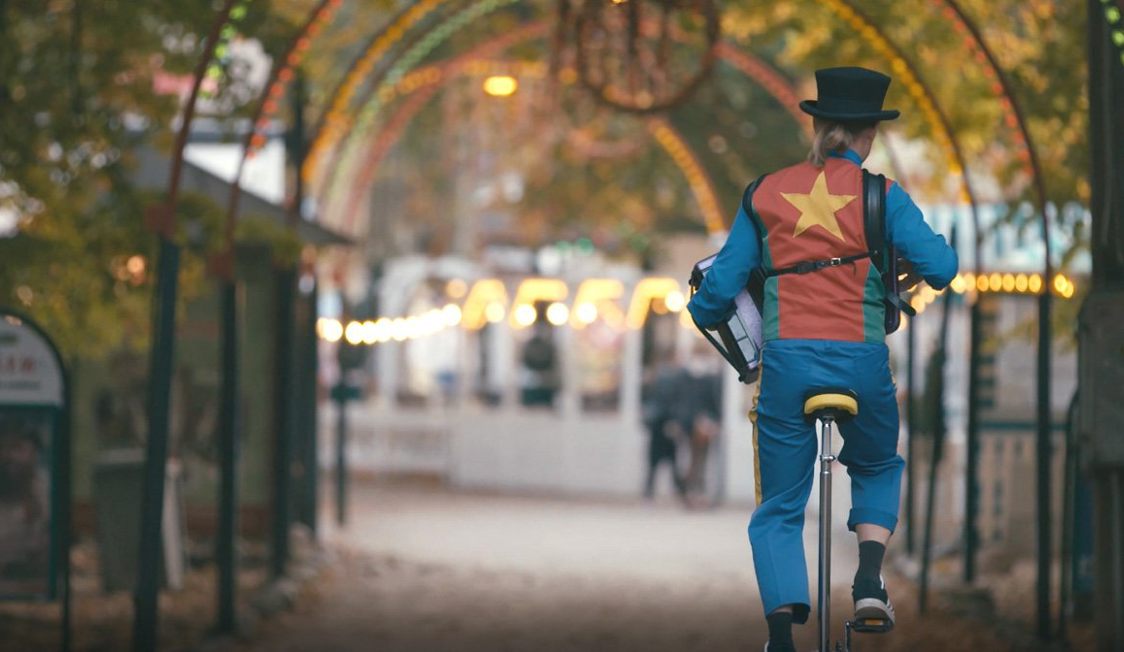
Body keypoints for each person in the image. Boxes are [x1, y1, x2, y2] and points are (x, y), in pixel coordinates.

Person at [686, 67, 958, 652]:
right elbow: (944, 268)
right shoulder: (883, 196)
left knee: (781, 505)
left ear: (818, 126)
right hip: (862, 362)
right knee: (880, 464)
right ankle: (866, 580)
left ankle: (782, 636)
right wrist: (896, 272)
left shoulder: (763, 192)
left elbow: (718, 292)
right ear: (869, 136)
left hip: (786, 367)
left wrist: (715, 311)